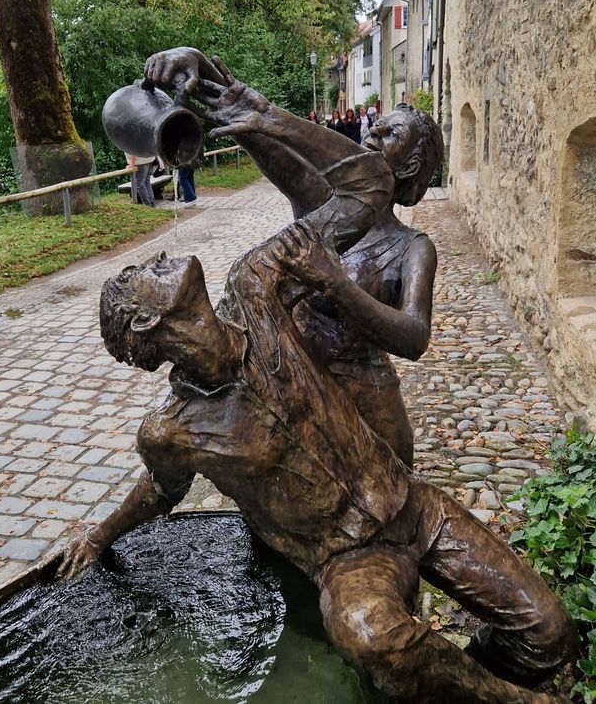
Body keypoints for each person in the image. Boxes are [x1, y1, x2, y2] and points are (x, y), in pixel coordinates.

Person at [57, 107, 577, 702]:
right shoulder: (171, 429)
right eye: (147, 270)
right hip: (346, 559)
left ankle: (460, 682)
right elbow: (159, 490)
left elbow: (363, 188)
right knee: (368, 633)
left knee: (550, 634)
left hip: (412, 505)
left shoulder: (255, 287)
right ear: (150, 320)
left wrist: (253, 114)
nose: (162, 255)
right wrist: (99, 536)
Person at [142, 49, 433, 465]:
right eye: (377, 127)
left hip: (367, 411)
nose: (372, 136)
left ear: (411, 167)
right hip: (294, 394)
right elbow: (254, 123)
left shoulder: (413, 247)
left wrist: (337, 284)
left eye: (391, 136)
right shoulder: (320, 202)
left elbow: (415, 337)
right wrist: (198, 63)